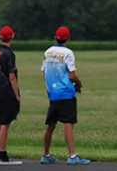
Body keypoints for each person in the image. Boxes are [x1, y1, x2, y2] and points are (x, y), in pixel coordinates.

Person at [40, 26, 90, 165]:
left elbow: (44, 73)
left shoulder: (47, 52)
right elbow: (71, 75)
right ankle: (72, 156)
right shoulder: (68, 53)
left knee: (51, 124)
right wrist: (79, 83)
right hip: (66, 93)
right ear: (68, 39)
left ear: (55, 37)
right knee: (69, 123)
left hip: (53, 94)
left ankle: (46, 154)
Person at [0, 26, 22, 165]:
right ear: (12, 37)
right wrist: (17, 94)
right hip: (6, 91)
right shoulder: (9, 54)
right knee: (5, 124)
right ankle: (3, 155)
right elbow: (12, 76)